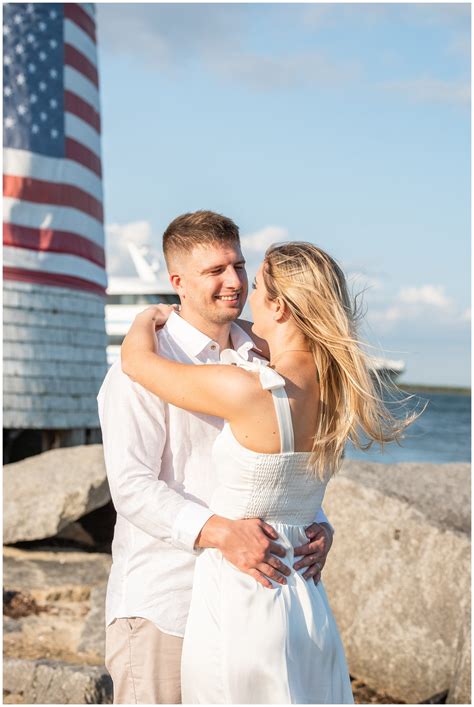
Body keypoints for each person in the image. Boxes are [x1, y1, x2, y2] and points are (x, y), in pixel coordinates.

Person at [121, 240, 416, 704]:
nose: (245, 292)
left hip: (243, 598)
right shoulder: (336, 394)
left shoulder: (250, 390)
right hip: (306, 602)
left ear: (279, 306)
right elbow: (288, 486)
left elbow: (136, 363)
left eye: (255, 283)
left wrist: (145, 319)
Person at [98, 211, 334, 704]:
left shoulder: (265, 359)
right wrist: (220, 532)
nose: (235, 283)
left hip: (249, 605)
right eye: (215, 272)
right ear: (178, 282)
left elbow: (274, 466)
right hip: (167, 602)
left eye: (240, 266)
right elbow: (132, 486)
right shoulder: (140, 369)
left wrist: (314, 521)